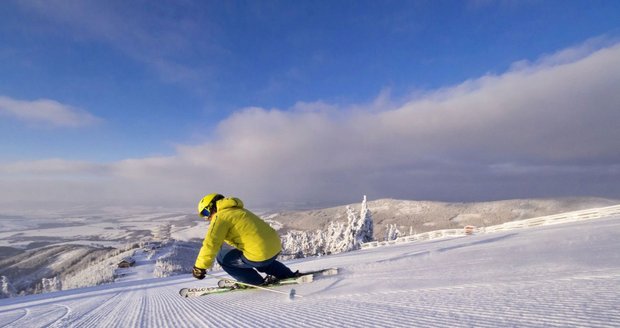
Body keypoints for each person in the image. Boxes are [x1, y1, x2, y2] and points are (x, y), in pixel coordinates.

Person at [192, 193, 299, 286]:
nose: (207, 218)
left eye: (206, 213)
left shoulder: (220, 217)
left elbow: (210, 244)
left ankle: (254, 282)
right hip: (275, 247)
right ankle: (286, 274)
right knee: (258, 255)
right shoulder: (239, 210)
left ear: (212, 206)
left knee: (222, 258)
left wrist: (199, 267)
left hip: (260, 254)